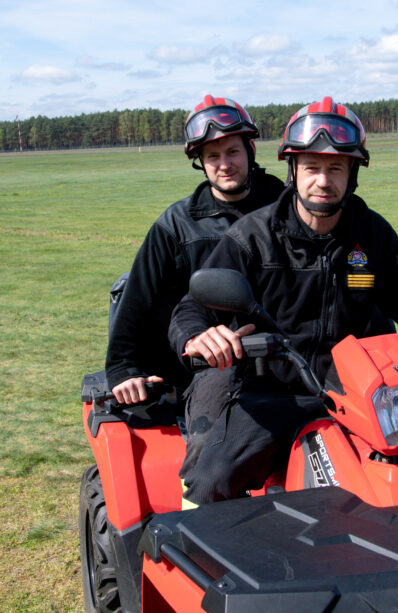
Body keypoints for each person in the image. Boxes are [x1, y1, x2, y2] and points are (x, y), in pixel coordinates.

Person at [169, 97, 398, 504]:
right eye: (312, 168)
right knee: (211, 480)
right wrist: (198, 336)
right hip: (276, 392)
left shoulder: (372, 233)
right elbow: (192, 308)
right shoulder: (253, 237)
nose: (323, 181)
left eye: (336, 168)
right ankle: (189, 557)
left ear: (352, 174)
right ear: (293, 171)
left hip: (365, 393)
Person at [105, 95, 285, 407]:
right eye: (213, 156)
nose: (225, 165)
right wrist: (123, 369)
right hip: (211, 368)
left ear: (250, 150)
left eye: (232, 152)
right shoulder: (176, 226)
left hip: (288, 357)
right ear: (200, 161)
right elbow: (136, 299)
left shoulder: (287, 209)